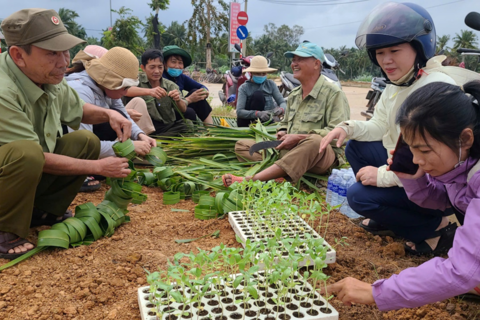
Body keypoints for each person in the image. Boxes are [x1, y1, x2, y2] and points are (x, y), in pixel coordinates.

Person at [323, 80, 480, 310]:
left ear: (465, 139)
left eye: (424, 150)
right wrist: (410, 178)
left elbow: (463, 271)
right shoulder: (459, 163)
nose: (416, 160)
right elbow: (441, 201)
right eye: (412, 150)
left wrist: (376, 292)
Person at [319, 2, 461, 254]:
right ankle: (391, 216)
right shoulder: (398, 84)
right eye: (380, 53)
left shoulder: (435, 88)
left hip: (434, 182)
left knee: (358, 196)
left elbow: (433, 162)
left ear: (420, 48)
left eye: (394, 50)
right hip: (407, 165)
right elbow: (379, 126)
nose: (386, 60)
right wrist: (347, 127)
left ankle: (433, 228)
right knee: (355, 147)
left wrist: (382, 176)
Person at [0, 8, 133, 259]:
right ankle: (4, 228)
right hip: (13, 168)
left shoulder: (48, 75)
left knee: (85, 140)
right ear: (18, 55)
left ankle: (43, 211)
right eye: (52, 53)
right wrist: (100, 166)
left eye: (65, 51)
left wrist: (109, 114)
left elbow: (78, 109)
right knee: (27, 153)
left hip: (25, 169)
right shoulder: (3, 91)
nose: (64, 62)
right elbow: (36, 156)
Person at [222, 42, 350, 187]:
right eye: (293, 60)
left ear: (316, 64)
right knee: (243, 146)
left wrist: (299, 138)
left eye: (300, 59)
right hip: (291, 150)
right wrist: (282, 131)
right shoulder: (295, 95)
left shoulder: (334, 94)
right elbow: (284, 123)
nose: (294, 64)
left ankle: (252, 180)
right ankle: (281, 174)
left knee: (315, 141)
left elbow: (338, 136)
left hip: (319, 155)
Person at [66, 46, 156, 159]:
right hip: (76, 152)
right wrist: (129, 146)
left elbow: (125, 115)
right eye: (125, 87)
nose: (126, 92)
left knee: (120, 116)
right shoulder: (80, 90)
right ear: (111, 80)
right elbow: (81, 144)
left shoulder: (108, 89)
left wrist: (140, 135)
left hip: (93, 144)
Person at [124, 49, 190, 136]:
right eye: (152, 67)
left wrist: (178, 100)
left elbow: (183, 109)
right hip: (143, 126)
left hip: (166, 126)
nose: (157, 71)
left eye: (160, 67)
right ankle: (151, 138)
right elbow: (125, 91)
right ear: (143, 68)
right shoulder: (136, 80)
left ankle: (158, 139)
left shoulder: (170, 86)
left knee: (187, 125)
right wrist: (149, 91)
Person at [162, 45, 213, 125]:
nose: (177, 66)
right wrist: (190, 99)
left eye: (180, 63)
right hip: (167, 112)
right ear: (164, 63)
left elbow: (200, 87)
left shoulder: (181, 77)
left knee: (196, 92)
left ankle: (210, 127)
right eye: (173, 62)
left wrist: (204, 92)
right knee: (190, 112)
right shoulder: (160, 77)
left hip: (181, 106)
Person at [236, 56, 286, 127]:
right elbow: (239, 112)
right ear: (251, 73)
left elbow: (282, 102)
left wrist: (281, 109)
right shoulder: (244, 88)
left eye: (264, 73)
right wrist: (258, 114)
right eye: (258, 73)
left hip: (266, 121)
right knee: (258, 95)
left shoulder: (270, 84)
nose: (261, 76)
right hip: (248, 122)